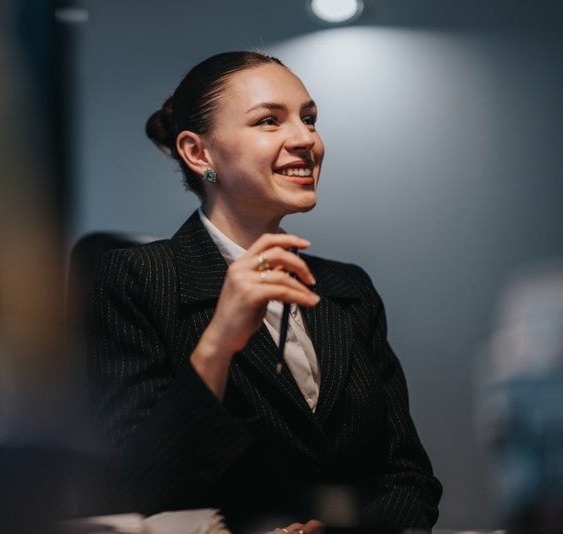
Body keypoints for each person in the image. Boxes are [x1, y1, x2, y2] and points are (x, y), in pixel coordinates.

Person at [85, 51, 442, 533]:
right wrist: (217, 343)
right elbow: (129, 489)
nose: (306, 139)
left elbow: (409, 480)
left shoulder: (349, 290)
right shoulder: (135, 279)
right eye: (269, 121)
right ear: (198, 153)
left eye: (309, 119)